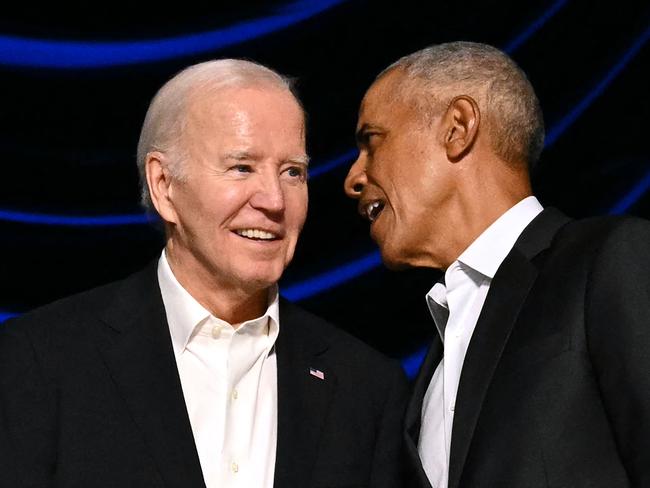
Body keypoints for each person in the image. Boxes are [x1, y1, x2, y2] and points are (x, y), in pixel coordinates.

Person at [0, 59, 408, 488]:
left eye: (293, 172)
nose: (273, 200)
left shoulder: (366, 389)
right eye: (242, 167)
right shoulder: (38, 362)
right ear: (164, 185)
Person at [344, 41, 650, 488]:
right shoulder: (426, 374)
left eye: (372, 142)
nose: (353, 177)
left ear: (458, 128)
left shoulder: (608, 261)